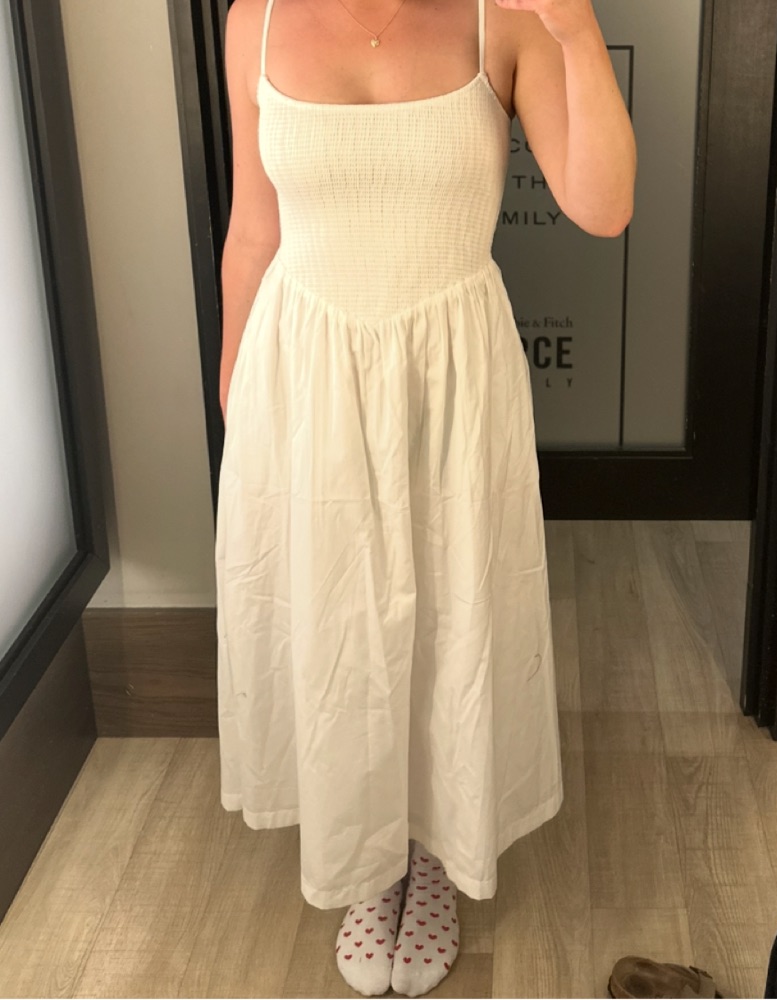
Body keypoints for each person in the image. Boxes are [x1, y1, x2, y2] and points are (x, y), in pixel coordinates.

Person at [214, 0, 635, 995]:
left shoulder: (503, 18)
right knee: (337, 624)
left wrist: (575, 31)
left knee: (451, 617)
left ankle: (435, 850)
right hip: (305, 372)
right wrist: (237, 395)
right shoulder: (256, 20)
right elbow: (253, 228)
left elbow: (603, 205)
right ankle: (370, 863)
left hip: (451, 377)